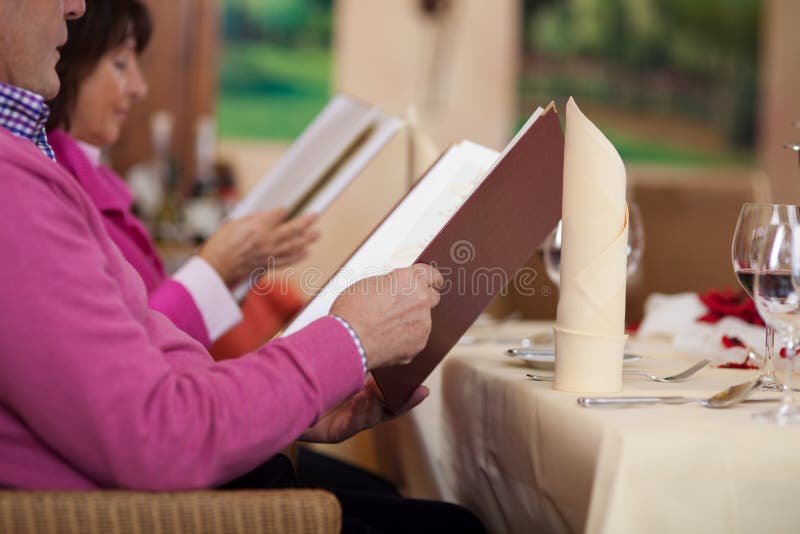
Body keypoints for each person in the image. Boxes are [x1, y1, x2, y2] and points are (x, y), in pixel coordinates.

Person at [0, 1, 485, 532]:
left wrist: (298, 402)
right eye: (119, 64)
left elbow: (149, 363)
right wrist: (348, 338)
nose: (75, 6)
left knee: (448, 518)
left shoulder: (30, 168)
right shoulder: (15, 186)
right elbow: (158, 434)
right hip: (162, 510)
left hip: (180, 486)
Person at [45, 0, 317, 349]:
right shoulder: (57, 189)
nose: (139, 87)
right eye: (120, 63)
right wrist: (215, 265)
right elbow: (123, 347)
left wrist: (234, 265)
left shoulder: (93, 181)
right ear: (64, 62)